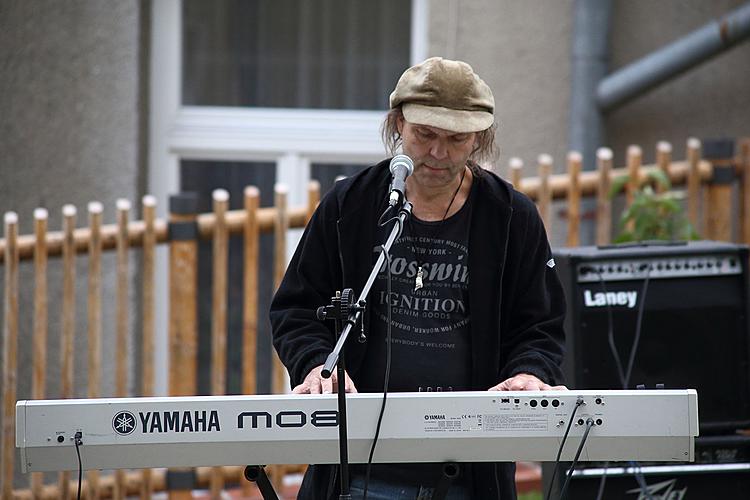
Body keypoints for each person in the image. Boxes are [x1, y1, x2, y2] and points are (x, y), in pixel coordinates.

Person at [270, 57, 566, 500]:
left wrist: (528, 372)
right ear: (397, 124)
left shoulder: (510, 216)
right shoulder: (349, 205)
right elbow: (296, 309)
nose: (437, 153)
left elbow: (539, 326)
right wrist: (317, 365)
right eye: (424, 134)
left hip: (470, 473)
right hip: (356, 471)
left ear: (479, 140)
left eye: (456, 139)